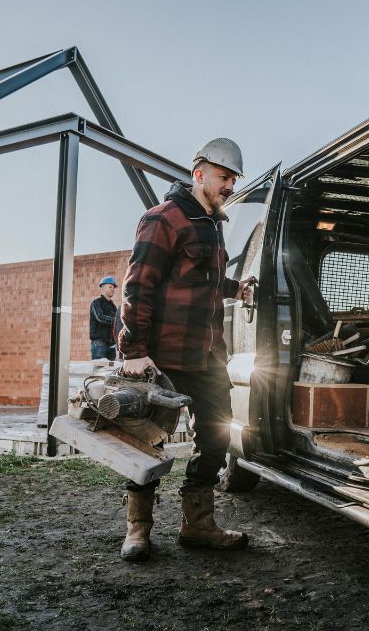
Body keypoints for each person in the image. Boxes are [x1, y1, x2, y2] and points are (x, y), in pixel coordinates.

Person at [117, 138, 256, 562]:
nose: (230, 186)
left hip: (209, 357)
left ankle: (197, 524)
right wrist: (134, 350)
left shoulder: (212, 224)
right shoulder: (163, 219)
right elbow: (138, 285)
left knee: (216, 437)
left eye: (233, 179)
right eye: (224, 177)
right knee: (149, 440)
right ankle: (138, 529)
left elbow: (203, 279)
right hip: (165, 358)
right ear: (199, 174)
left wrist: (237, 288)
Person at [89, 276, 117, 361]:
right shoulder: (96, 303)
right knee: (99, 371)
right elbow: (100, 317)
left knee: (110, 371)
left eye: (113, 287)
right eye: (110, 287)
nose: (112, 289)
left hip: (112, 345)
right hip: (99, 344)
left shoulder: (113, 307)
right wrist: (116, 321)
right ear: (102, 288)